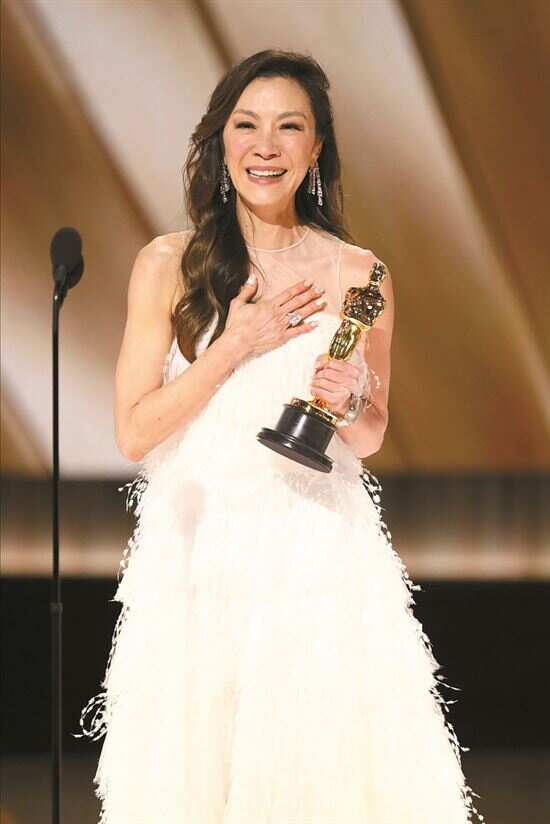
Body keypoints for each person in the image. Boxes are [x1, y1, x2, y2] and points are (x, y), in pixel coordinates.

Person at [75, 50, 484, 823]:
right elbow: (134, 429)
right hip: (199, 560)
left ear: (316, 147)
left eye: (288, 127)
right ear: (220, 141)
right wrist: (235, 344)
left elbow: (369, 435)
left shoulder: (361, 274)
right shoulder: (170, 264)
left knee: (319, 777)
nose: (266, 146)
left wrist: (351, 396)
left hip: (317, 559)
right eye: (247, 125)